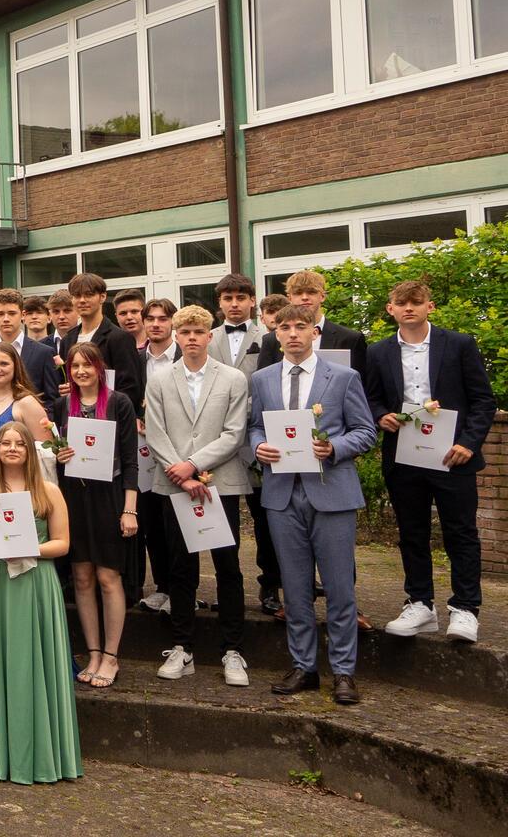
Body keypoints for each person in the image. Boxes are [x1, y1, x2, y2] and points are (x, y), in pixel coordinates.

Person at [248, 303, 379, 705]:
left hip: (332, 491)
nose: (292, 334)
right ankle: (304, 665)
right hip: (282, 493)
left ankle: (343, 671)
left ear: (314, 332)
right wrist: (260, 448)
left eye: (300, 327)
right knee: (296, 587)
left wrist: (334, 447)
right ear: (277, 334)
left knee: (339, 587)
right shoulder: (263, 379)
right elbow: (253, 427)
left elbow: (366, 431)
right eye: (284, 327)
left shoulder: (343, 376)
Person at [365, 280, 497, 643]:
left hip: (452, 454)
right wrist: (381, 416)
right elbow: (371, 398)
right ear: (390, 309)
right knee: (412, 532)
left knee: (461, 532)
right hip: (404, 455)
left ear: (430, 307)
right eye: (401, 303)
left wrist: (469, 444)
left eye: (416, 302)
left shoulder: (458, 344)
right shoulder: (377, 352)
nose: (409, 308)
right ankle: (420, 604)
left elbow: (483, 400)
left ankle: (466, 608)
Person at [0, 421, 81, 784]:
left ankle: (44, 750)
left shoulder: (48, 491)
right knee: (2, 660)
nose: (12, 449)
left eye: (20, 444)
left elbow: (62, 544)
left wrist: (27, 548)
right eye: (5, 443)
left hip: (36, 582)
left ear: (30, 450)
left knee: (36, 660)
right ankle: (2, 748)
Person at [145, 305, 253, 686]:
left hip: (219, 483)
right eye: (184, 332)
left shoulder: (234, 378)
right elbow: (156, 432)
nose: (191, 338)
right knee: (180, 568)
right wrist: (181, 471)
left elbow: (234, 432)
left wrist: (192, 464)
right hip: (174, 484)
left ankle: (232, 651)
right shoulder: (159, 379)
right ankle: (182, 647)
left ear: (210, 336)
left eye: (198, 332)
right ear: (175, 336)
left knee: (228, 566)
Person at [56, 342, 139, 690]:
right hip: (74, 498)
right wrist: (59, 454)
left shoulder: (119, 402)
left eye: (87, 365)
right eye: (74, 366)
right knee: (82, 578)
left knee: (108, 577)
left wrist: (129, 509)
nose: (80, 371)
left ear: (99, 367)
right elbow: (53, 452)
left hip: (110, 497)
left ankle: (111, 654)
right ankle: (92, 652)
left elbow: (131, 460)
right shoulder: (62, 405)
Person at [208, 272, 279, 615]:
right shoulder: (205, 339)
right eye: (227, 298)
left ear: (253, 301)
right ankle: (227, 588)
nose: (234, 304)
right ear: (219, 303)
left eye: (240, 298)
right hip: (217, 442)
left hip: (257, 440)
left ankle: (271, 587)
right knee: (223, 523)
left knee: (266, 520)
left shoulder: (270, 337)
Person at [132, 297, 183, 613]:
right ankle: (163, 587)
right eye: (150, 318)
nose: (155, 324)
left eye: (162, 319)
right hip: (143, 450)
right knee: (151, 521)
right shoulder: (135, 359)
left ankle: (182, 590)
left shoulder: (185, 357)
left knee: (179, 523)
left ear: (172, 323)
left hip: (180, 451)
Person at [61, 273, 146, 410]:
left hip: (111, 418)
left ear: (102, 297)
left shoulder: (120, 338)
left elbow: (130, 388)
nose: (82, 300)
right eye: (77, 296)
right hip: (76, 417)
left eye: (88, 295)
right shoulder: (67, 340)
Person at [0, 289, 62, 410]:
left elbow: (51, 400)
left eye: (11, 313)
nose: (6, 319)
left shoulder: (44, 352)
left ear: (22, 315)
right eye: (0, 314)